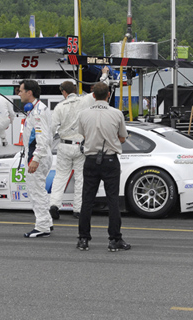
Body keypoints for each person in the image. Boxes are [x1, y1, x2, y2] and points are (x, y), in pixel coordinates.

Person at [77, 82, 130, 252]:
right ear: (108, 95)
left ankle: (83, 239)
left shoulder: (84, 114)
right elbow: (122, 137)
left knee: (87, 200)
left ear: (93, 95)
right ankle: (114, 239)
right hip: (110, 159)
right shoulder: (116, 113)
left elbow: (84, 135)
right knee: (113, 200)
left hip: (91, 159)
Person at [18, 80, 54, 237]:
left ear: (29, 92)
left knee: (36, 192)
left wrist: (35, 158)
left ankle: (42, 227)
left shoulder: (38, 111)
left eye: (20, 91)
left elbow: (42, 137)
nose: (18, 94)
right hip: (41, 154)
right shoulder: (37, 108)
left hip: (37, 155)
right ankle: (47, 222)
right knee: (40, 191)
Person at [49, 81, 84, 220]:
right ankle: (78, 209)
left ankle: (54, 205)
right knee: (80, 178)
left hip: (64, 144)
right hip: (80, 145)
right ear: (74, 90)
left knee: (60, 176)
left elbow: (52, 128)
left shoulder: (59, 107)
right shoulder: (83, 102)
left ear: (63, 92)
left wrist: (46, 144)